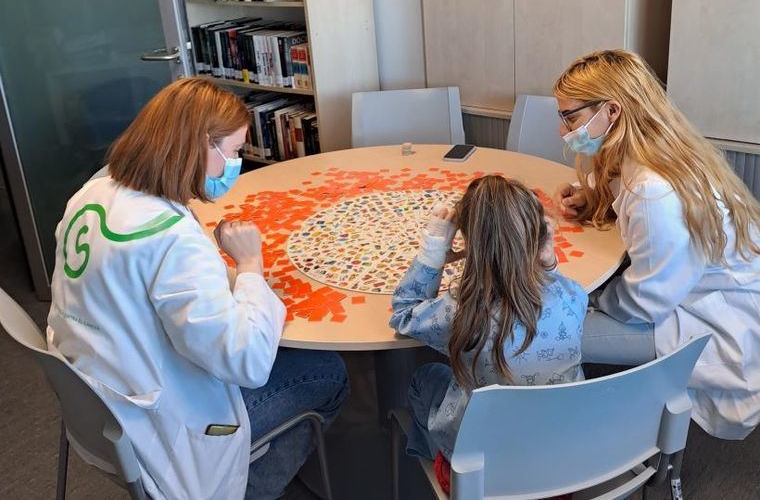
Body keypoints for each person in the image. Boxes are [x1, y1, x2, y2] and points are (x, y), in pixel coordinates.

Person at [46, 78, 348, 500]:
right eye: (235, 151)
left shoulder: (92, 193)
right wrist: (248, 265)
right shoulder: (172, 238)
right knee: (327, 371)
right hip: (168, 432)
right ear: (200, 146)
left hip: (97, 402)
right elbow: (248, 361)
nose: (236, 163)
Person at [552, 49, 760, 440]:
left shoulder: (654, 191)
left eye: (571, 118)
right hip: (698, 293)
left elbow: (646, 302)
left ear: (612, 111)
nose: (564, 132)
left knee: (550, 331)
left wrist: (591, 296)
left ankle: (571, 437)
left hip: (709, 322)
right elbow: (621, 186)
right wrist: (590, 194)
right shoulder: (654, 153)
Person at [389, 176, 587, 475]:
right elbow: (557, 284)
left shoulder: (461, 311)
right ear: (540, 237)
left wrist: (433, 250)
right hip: (560, 467)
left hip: (479, 477)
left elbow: (404, 313)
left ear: (470, 243)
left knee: (425, 377)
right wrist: (547, 261)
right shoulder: (572, 297)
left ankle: (434, 455)